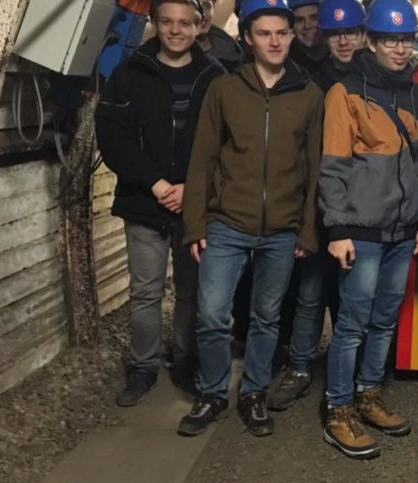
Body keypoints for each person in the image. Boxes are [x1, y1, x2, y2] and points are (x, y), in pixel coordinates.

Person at [177, 0, 323, 437]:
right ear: (247, 39)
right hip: (227, 223)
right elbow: (202, 158)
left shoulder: (309, 95)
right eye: (264, 33)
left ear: (291, 37)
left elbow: (314, 169)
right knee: (212, 314)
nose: (274, 41)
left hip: (282, 228)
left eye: (281, 33)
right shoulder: (224, 90)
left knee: (266, 318)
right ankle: (212, 392)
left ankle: (254, 392)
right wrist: (195, 224)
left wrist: (307, 230)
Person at [96, 0, 225, 407]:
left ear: (198, 26)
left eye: (184, 23)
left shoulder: (214, 77)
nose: (175, 30)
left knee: (191, 291)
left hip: (195, 205)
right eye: (166, 21)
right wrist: (156, 183)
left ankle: (186, 361)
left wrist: (192, 187)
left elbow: (225, 143)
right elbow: (113, 137)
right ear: (153, 23)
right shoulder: (129, 74)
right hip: (144, 202)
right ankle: (142, 366)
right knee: (146, 291)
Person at [318, 0, 418, 459]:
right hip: (361, 231)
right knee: (352, 323)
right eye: (390, 40)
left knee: (384, 319)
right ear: (372, 41)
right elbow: (333, 165)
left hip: (402, 231)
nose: (399, 49)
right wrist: (337, 229)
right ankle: (338, 409)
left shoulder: (415, 94)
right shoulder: (345, 92)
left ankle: (368, 394)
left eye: (406, 40)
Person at [265, 0, 368, 411]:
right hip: (319, 207)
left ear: (363, 36)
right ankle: (301, 366)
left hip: (361, 208)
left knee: (352, 298)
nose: (343, 41)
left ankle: (350, 371)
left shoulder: (375, 82)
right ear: (326, 37)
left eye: (350, 33)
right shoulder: (310, 84)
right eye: (335, 34)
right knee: (310, 293)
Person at [196, 0, 243, 72]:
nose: (203, 14)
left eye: (207, 6)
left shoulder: (233, 53)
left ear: (214, 8)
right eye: (195, 7)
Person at [288, 0, 328, 73]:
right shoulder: (285, 58)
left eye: (314, 18)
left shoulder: (341, 50)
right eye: (299, 20)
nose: (307, 26)